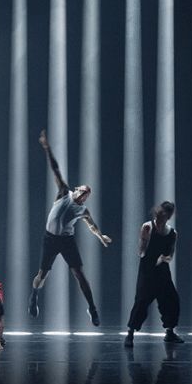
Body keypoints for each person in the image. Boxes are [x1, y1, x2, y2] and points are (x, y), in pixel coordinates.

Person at [27, 130, 111, 326]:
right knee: (43, 275)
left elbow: (92, 225)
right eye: (84, 190)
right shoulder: (65, 192)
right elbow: (55, 169)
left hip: (66, 241)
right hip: (50, 239)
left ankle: (92, 308)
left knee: (79, 274)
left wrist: (100, 237)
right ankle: (33, 298)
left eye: (87, 194)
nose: (85, 194)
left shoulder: (83, 210)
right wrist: (47, 148)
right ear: (78, 189)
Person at [125, 202, 183, 346]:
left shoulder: (172, 233)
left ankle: (169, 333)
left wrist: (162, 258)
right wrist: (145, 242)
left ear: (168, 216)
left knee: (171, 300)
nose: (158, 217)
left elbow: (170, 256)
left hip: (162, 271)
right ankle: (130, 334)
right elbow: (141, 252)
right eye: (157, 214)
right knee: (141, 301)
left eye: (162, 215)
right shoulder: (147, 227)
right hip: (147, 270)